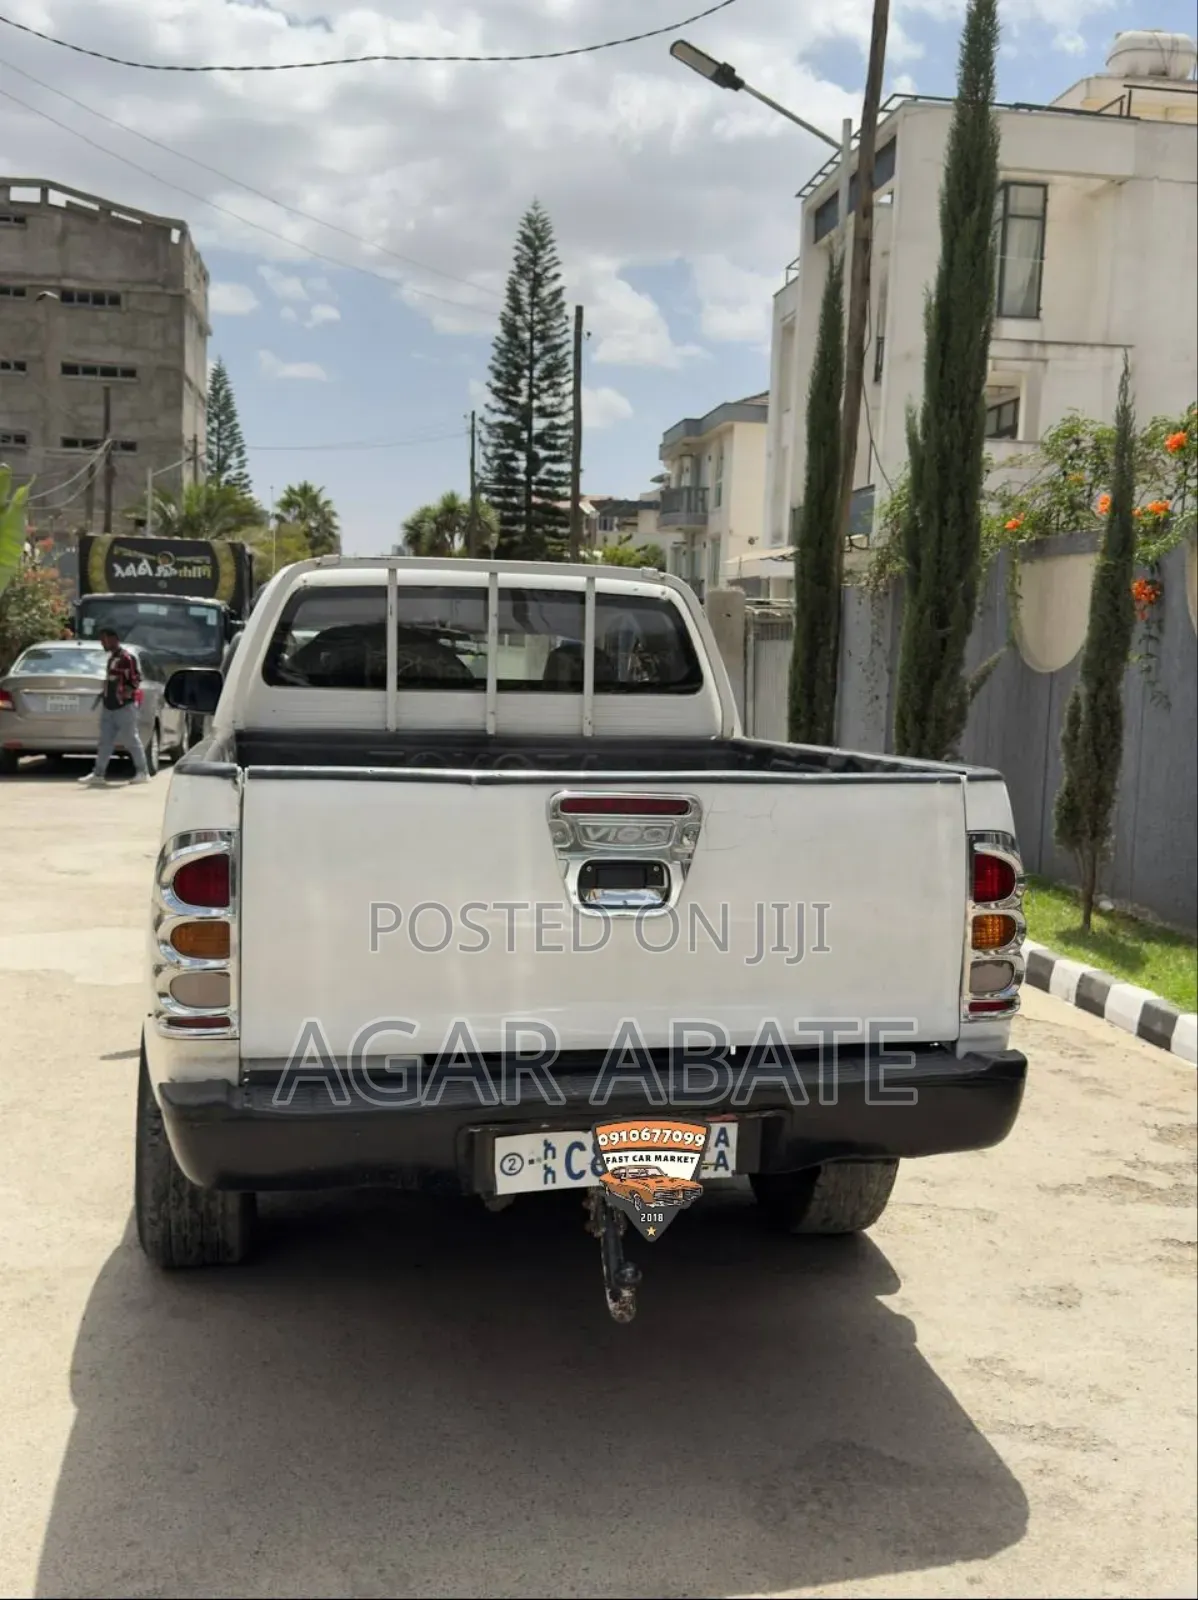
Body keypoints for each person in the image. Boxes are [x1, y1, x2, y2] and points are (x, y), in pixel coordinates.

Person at [78, 626, 150, 788]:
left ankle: (142, 772)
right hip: (109, 706)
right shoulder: (112, 658)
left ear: (114, 639)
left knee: (131, 739)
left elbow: (136, 679)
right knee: (105, 742)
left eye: (104, 640)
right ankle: (98, 774)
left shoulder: (127, 658)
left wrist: (126, 693)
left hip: (124, 707)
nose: (102, 643)